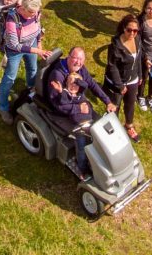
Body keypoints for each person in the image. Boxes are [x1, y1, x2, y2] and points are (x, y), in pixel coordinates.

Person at [45, 46, 116, 179]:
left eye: (81, 59)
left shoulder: (80, 69)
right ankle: (81, 167)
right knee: (81, 141)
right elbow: (57, 105)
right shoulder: (57, 75)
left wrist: (108, 102)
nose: (78, 62)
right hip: (62, 113)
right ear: (68, 57)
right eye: (75, 58)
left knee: (101, 128)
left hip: (82, 108)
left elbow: (92, 85)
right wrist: (78, 109)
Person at [0, 0, 49, 123]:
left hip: (31, 44)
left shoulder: (35, 13)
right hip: (15, 51)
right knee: (10, 77)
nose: (34, 15)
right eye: (31, 12)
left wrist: (39, 44)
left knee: (32, 69)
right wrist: (36, 50)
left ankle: (30, 93)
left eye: (36, 12)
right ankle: (3, 107)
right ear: (23, 8)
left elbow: (37, 28)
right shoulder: (12, 19)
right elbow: (14, 44)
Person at [104, 14, 144, 142]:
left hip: (133, 79)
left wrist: (140, 75)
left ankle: (129, 126)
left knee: (130, 104)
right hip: (117, 82)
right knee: (114, 107)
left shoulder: (137, 39)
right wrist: (120, 85)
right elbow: (112, 67)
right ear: (123, 28)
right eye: (129, 30)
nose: (132, 33)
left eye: (135, 30)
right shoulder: (115, 45)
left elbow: (138, 58)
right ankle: (113, 132)